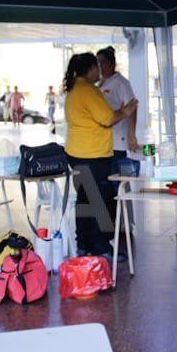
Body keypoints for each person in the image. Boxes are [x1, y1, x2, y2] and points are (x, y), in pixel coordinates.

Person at [63, 52, 138, 258]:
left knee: (85, 199)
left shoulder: (74, 89)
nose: (99, 70)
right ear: (90, 69)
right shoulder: (88, 90)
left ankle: (83, 244)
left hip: (76, 153)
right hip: (92, 155)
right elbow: (108, 119)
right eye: (97, 66)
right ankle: (101, 247)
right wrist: (126, 111)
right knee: (100, 200)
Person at [97, 47, 140, 178]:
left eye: (103, 63)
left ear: (112, 64)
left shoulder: (121, 83)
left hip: (117, 141)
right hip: (102, 142)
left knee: (119, 178)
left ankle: (124, 193)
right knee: (106, 179)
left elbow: (132, 107)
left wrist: (131, 135)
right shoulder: (100, 83)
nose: (99, 66)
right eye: (97, 63)